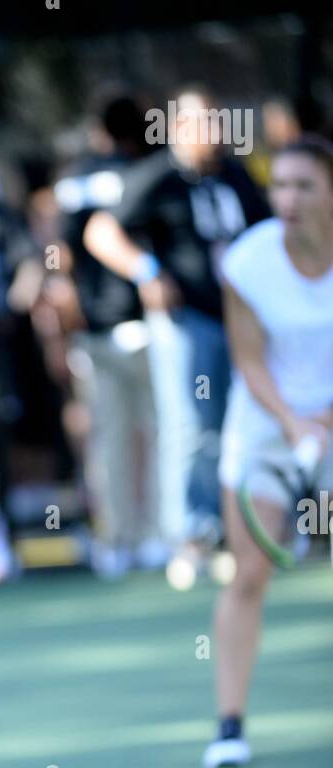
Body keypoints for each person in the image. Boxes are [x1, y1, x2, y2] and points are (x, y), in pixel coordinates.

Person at [84, 87, 269, 584]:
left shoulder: (236, 175)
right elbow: (100, 232)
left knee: (247, 424)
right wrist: (147, 271)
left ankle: (247, 530)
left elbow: (266, 234)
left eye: (217, 120)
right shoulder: (157, 177)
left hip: (243, 319)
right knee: (193, 427)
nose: (213, 131)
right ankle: (192, 535)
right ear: (179, 127)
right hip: (189, 321)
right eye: (201, 121)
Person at [203, 136, 333, 768]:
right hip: (265, 423)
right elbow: (249, 360)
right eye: (279, 185)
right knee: (249, 572)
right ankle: (230, 726)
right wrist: (294, 424)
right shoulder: (249, 261)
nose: (288, 199)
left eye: (304, 185)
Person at [54, 94, 163, 578]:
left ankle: (117, 540)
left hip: (97, 329)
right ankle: (155, 536)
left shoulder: (77, 177)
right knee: (157, 436)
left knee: (111, 441)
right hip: (143, 322)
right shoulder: (155, 172)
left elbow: (60, 254)